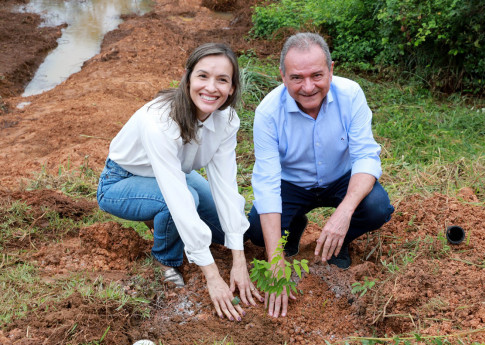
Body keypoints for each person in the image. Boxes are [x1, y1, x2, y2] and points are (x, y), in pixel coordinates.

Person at [97, 43, 262, 321]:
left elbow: (226, 187)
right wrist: (211, 275)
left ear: (232, 88)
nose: (211, 87)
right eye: (203, 76)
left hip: (178, 174)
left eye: (222, 80)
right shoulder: (159, 121)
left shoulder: (227, 119)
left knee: (225, 233)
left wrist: (239, 259)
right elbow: (177, 196)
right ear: (187, 78)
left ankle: (161, 222)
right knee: (184, 201)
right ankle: (165, 259)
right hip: (120, 181)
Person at [246, 33, 395, 317]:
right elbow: (266, 183)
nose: (308, 87)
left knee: (376, 207)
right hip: (291, 185)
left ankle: (337, 244)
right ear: (282, 76)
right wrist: (274, 261)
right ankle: (293, 229)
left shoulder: (350, 95)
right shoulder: (268, 113)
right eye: (297, 78)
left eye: (317, 75)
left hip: (341, 180)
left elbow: (365, 156)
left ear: (331, 69)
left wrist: (344, 213)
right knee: (255, 229)